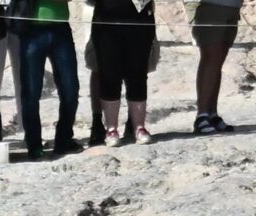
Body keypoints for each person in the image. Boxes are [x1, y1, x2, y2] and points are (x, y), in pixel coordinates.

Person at [15, 0, 79, 158]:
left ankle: (64, 139)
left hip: (61, 28)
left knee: (71, 89)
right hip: (31, 29)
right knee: (31, 92)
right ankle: (34, 144)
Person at [89, 0, 154, 140]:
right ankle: (111, 129)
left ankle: (139, 127)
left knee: (138, 73)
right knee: (109, 73)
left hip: (140, 17)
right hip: (107, 18)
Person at [192, 0, 242, 130]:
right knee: (210, 57)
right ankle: (202, 115)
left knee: (218, 61)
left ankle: (212, 113)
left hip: (233, 8)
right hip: (212, 6)